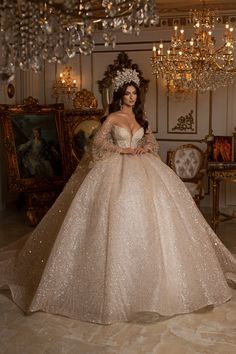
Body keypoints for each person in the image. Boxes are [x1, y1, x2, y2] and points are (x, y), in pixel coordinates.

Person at [0, 68, 236, 325]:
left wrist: (144, 148)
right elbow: (97, 144)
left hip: (145, 167)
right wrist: (122, 151)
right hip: (116, 170)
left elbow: (151, 143)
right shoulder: (112, 117)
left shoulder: (141, 118)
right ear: (120, 95)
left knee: (156, 217)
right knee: (114, 215)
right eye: (128, 93)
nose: (132, 97)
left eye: (135, 93)